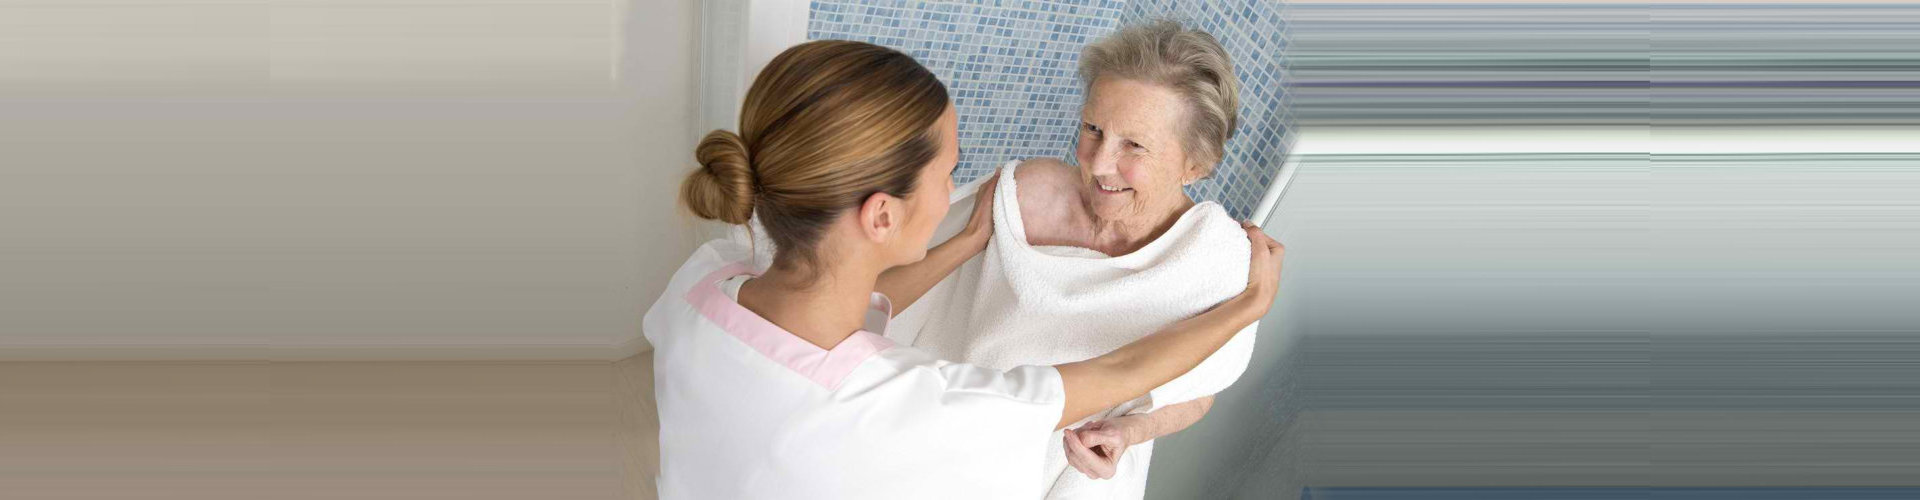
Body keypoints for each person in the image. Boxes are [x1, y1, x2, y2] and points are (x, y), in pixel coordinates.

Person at [643, 39, 1284, 499]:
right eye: (947, 172)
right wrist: (1249, 307)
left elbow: (835, 306)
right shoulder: (925, 408)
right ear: (882, 216)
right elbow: (1117, 371)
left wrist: (961, 243)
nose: (1096, 163)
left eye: (1134, 145)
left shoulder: (701, 282)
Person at [894, 20, 1259, 499]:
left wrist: (1130, 433)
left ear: (1197, 163)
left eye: (1134, 145)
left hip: (1065, 472)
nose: (1099, 162)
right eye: (1093, 128)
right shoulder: (1023, 194)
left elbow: (1197, 390)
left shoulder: (1211, 262)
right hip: (943, 435)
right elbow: (894, 278)